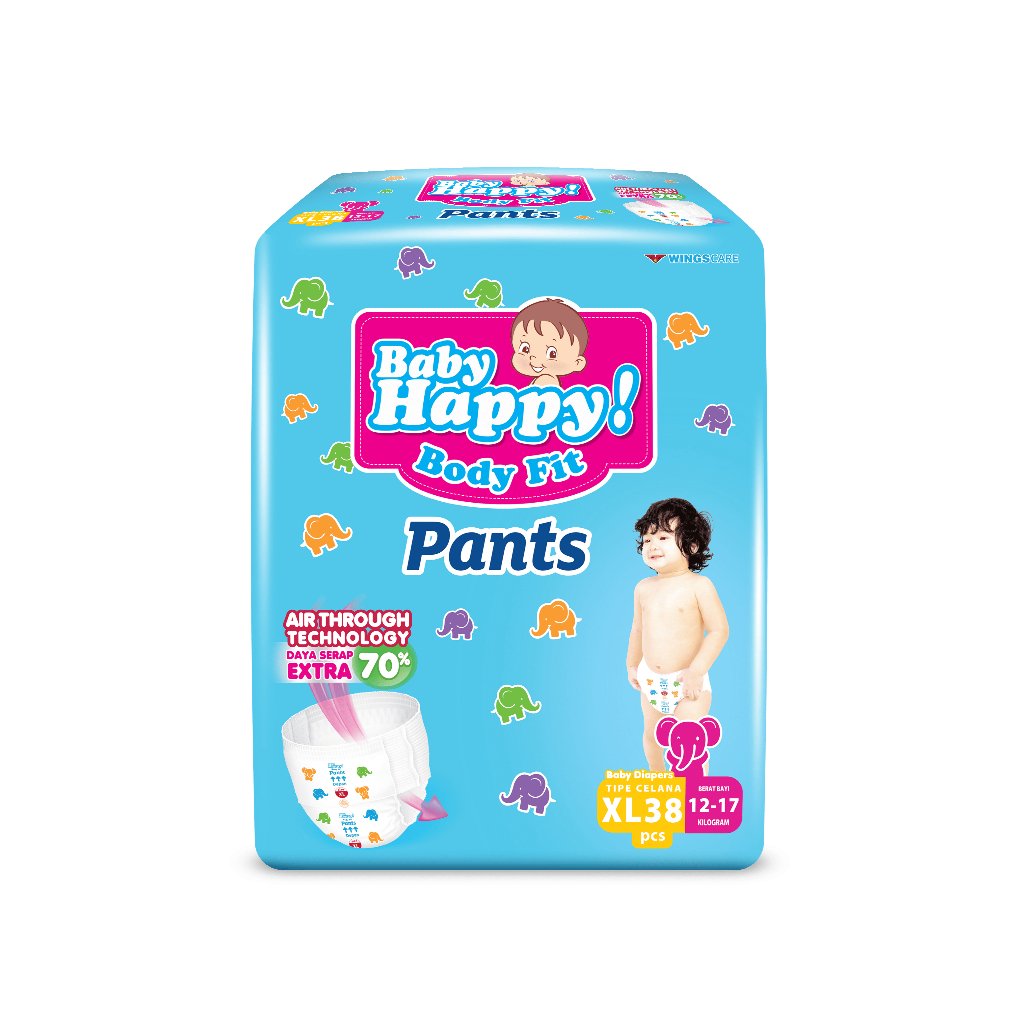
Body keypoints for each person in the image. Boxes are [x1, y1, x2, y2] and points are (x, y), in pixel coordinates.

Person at [626, 498, 729, 773]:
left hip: (688, 683)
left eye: (662, 537)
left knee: (688, 740)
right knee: (652, 737)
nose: (652, 545)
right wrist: (632, 664)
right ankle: (658, 781)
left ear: (691, 546)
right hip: (651, 680)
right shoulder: (643, 588)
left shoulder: (699, 586)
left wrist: (697, 670)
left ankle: (694, 789)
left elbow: (719, 630)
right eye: (647, 539)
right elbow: (637, 629)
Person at [509, 297, 588, 389]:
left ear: (577, 363)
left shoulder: (546, 381)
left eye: (552, 353)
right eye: (525, 349)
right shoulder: (541, 380)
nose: (534, 357)